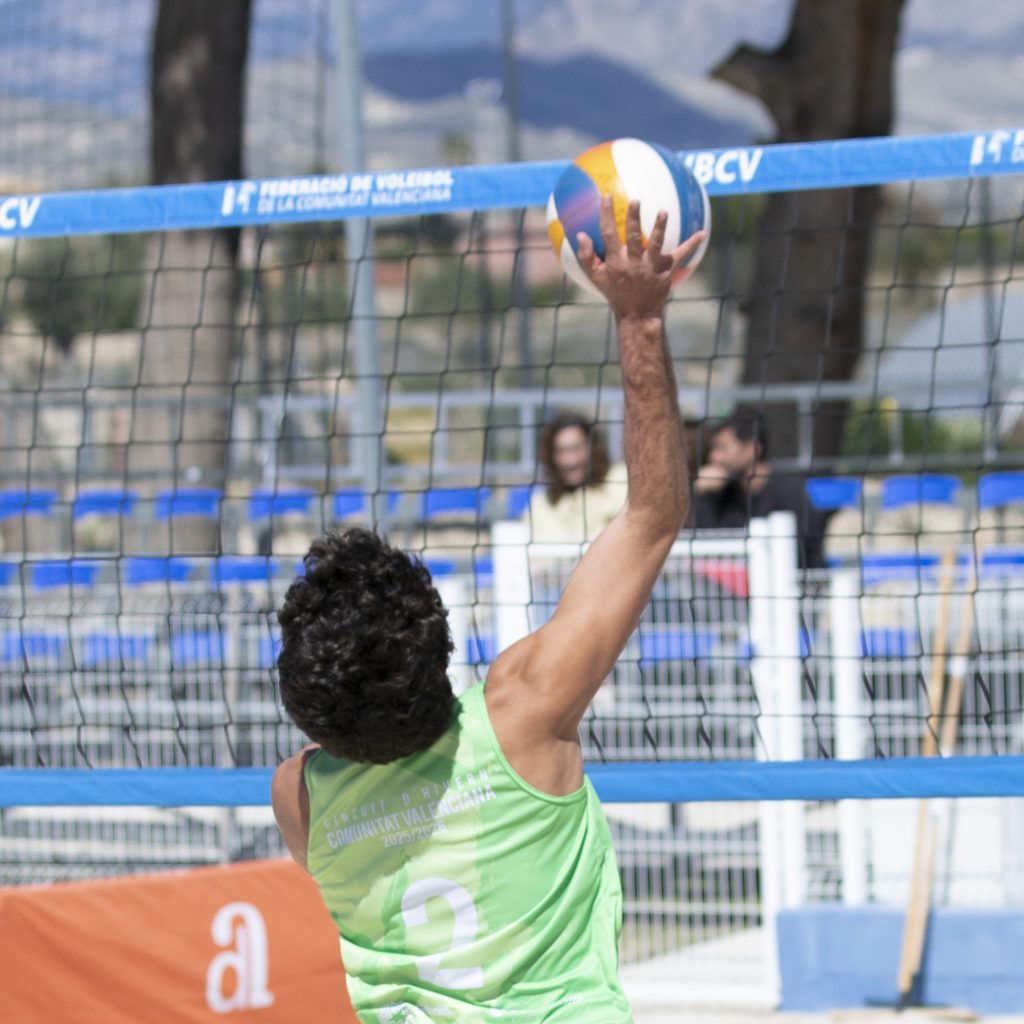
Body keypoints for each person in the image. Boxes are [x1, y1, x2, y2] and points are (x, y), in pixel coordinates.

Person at [271, 198, 704, 1024]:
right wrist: (640, 319)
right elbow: (655, 513)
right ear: (437, 644)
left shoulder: (299, 796)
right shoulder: (522, 713)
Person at [692, 414, 832, 568]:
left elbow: (799, 553)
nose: (713, 457)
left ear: (752, 449)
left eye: (722, 448)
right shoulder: (720, 495)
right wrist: (701, 495)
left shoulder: (791, 493)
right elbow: (707, 548)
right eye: (713, 449)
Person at [524, 411, 627, 542]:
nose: (570, 461)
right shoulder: (542, 503)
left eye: (575, 449)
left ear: (592, 448)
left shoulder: (620, 481)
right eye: (561, 451)